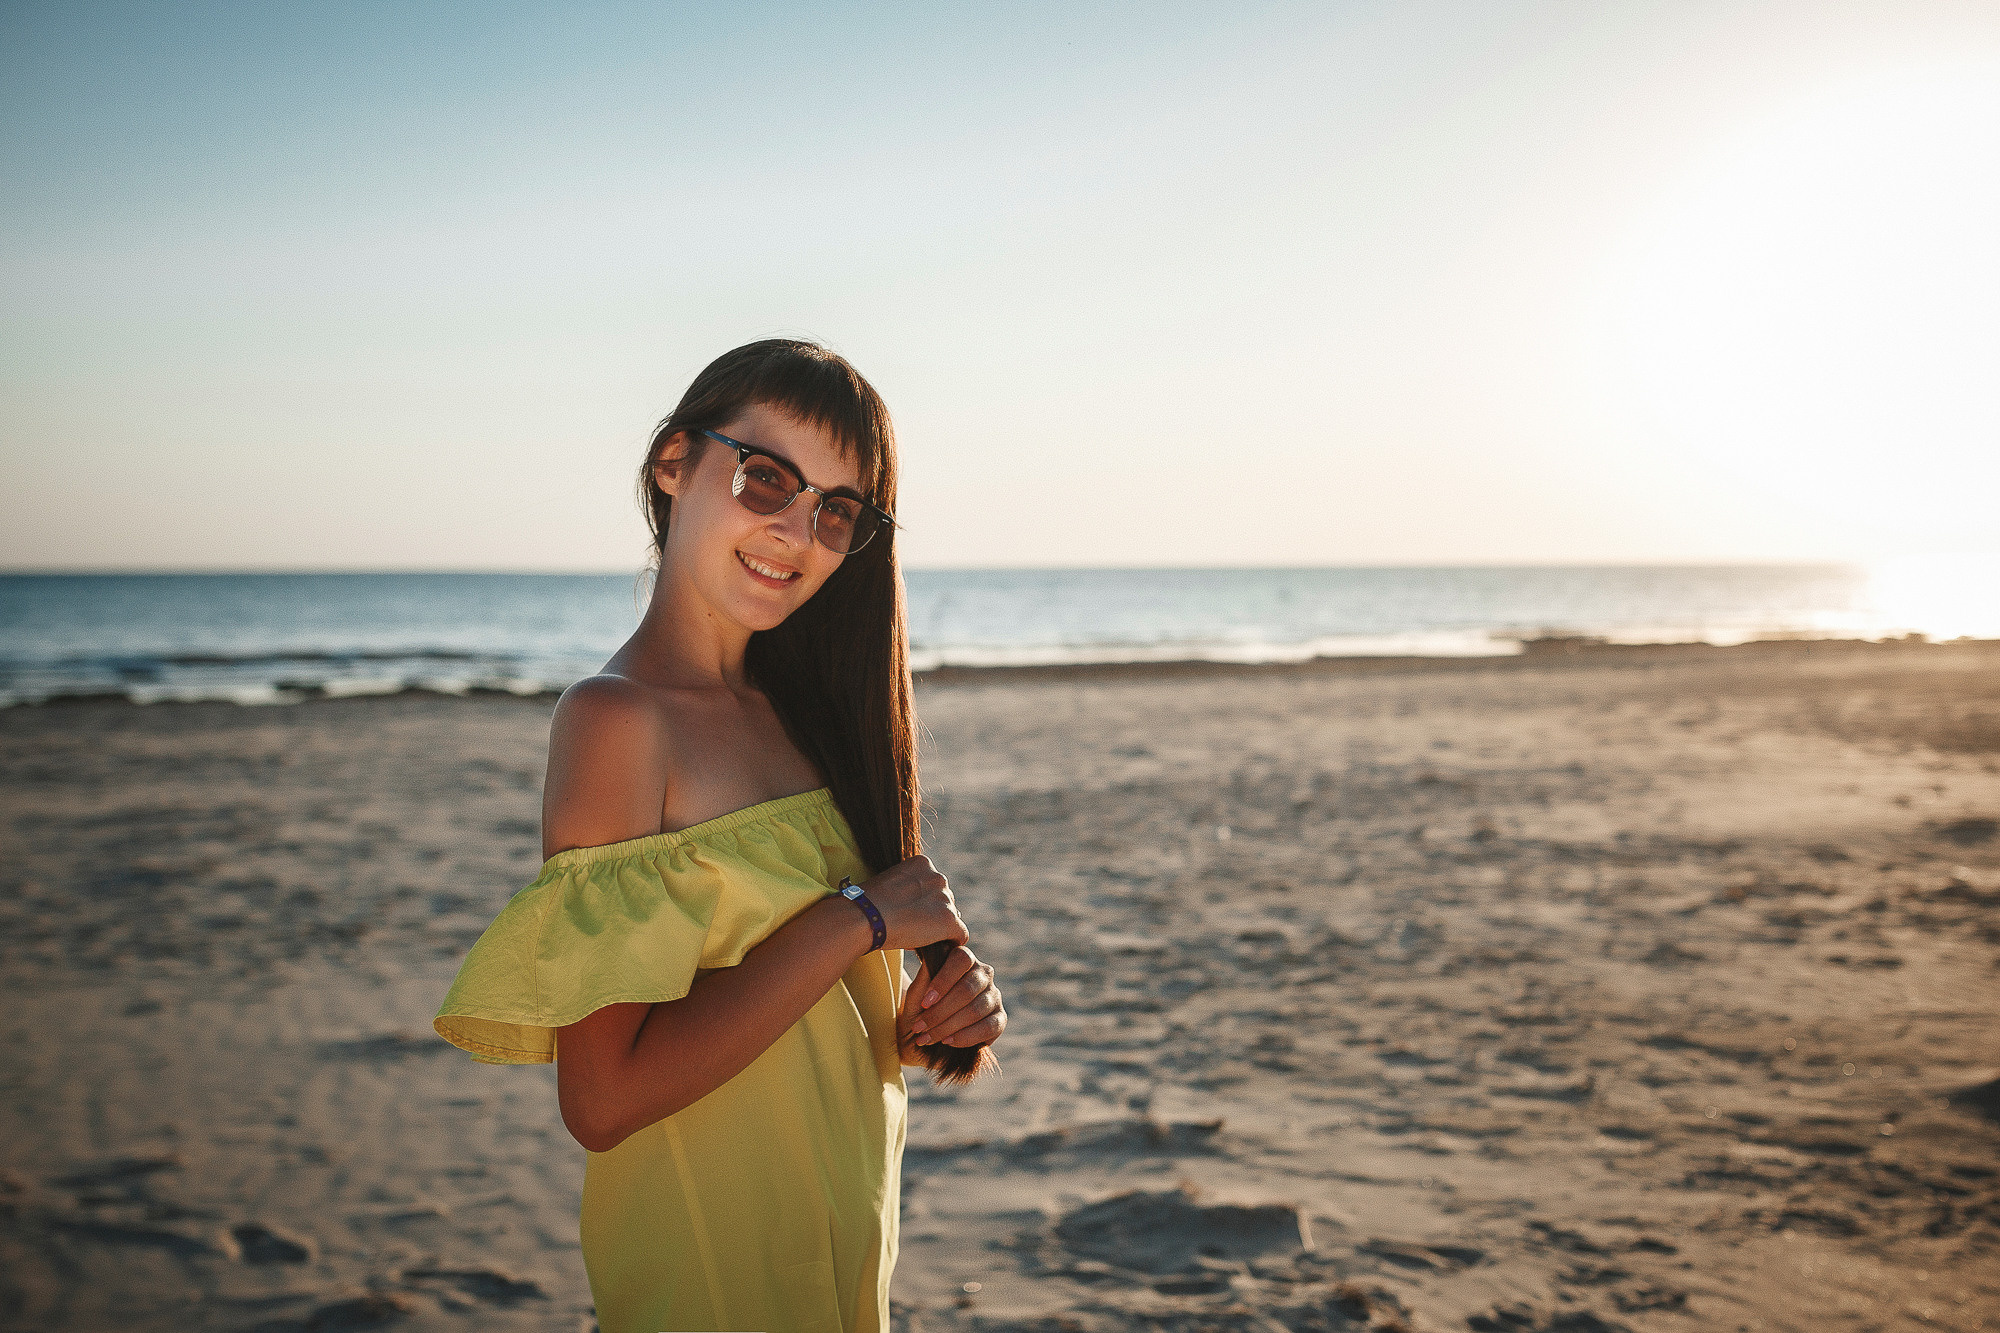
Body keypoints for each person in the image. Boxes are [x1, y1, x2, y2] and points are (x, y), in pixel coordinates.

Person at [433, 339, 1008, 1332]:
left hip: (838, 1251)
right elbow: (602, 1100)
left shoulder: (803, 714)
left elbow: (780, 1001)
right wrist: (853, 923)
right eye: (766, 478)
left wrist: (917, 1021)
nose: (795, 530)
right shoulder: (617, 720)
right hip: (708, 1274)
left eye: (835, 511)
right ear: (673, 466)